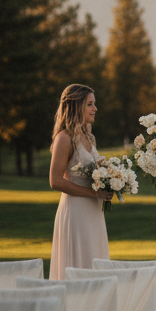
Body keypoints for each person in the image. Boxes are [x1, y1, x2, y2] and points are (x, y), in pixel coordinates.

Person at [48, 84, 113, 279]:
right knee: (79, 267)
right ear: (76, 106)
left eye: (94, 104)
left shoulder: (88, 136)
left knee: (94, 265)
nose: (95, 109)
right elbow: (55, 181)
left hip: (94, 213)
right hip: (76, 212)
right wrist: (93, 193)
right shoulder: (64, 138)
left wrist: (111, 180)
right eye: (90, 104)